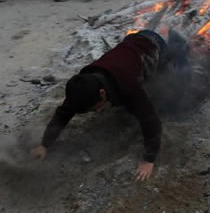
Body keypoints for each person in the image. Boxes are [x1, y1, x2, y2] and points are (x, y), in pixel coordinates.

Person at [32, 30, 172, 181]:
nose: (94, 111)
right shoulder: (82, 85)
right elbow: (64, 112)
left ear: (103, 93)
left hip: (154, 45)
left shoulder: (128, 85)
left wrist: (149, 160)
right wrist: (44, 144)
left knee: (156, 87)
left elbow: (150, 119)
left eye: (93, 108)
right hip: (130, 42)